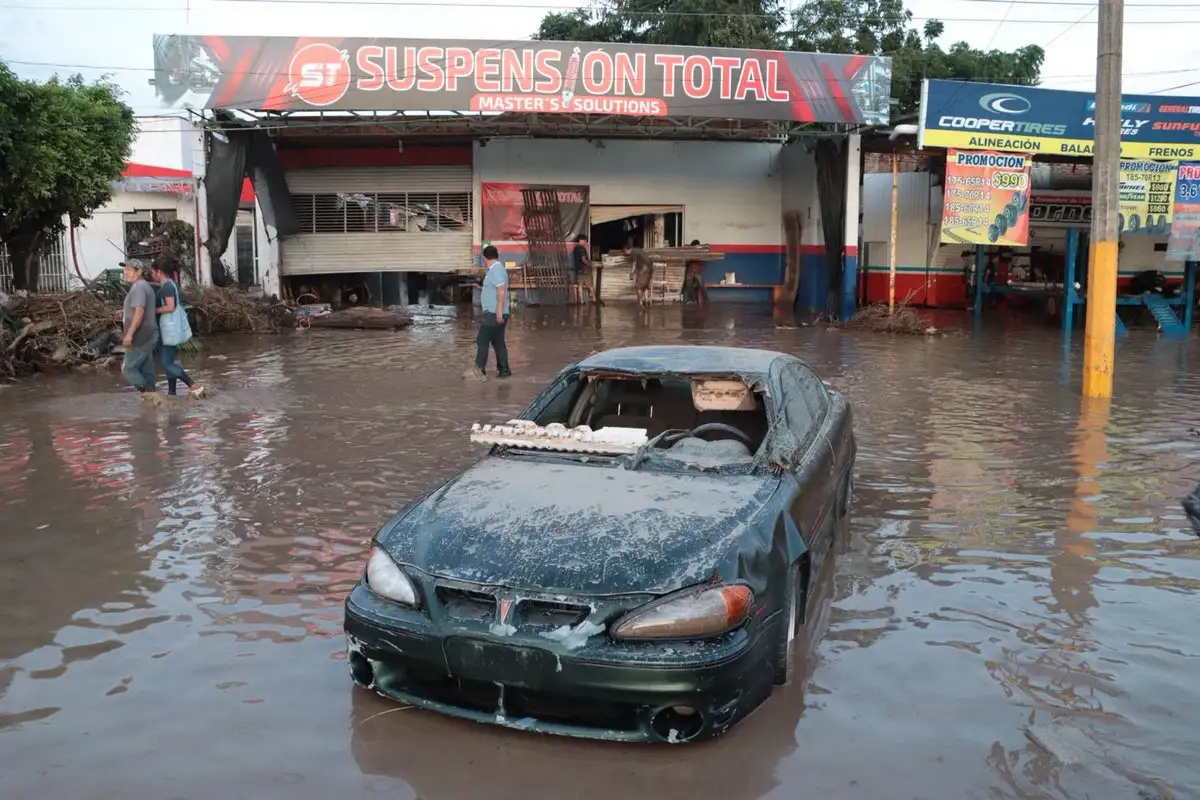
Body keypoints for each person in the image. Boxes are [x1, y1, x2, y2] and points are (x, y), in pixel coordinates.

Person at [153, 262, 204, 397]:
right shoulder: (171, 285)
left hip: (167, 330)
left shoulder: (167, 287)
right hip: (170, 328)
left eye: (154, 272)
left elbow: (170, 307)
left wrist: (152, 310)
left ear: (159, 272)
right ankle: (172, 393)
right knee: (169, 362)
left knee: (167, 364)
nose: (153, 275)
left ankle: (193, 385)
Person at [120, 259, 159, 396]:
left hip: (141, 336)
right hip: (149, 334)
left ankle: (150, 396)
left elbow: (139, 311)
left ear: (139, 271)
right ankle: (153, 408)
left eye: (130, 270)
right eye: (125, 270)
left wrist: (129, 334)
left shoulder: (138, 287)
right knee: (146, 369)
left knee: (128, 369)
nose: (126, 273)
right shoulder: (144, 286)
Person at [472, 245, 511, 380]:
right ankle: (504, 371)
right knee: (498, 342)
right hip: (498, 313)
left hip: (494, 313)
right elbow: (496, 287)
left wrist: (498, 311)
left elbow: (501, 290)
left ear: (484, 258)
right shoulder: (497, 270)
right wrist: (482, 286)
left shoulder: (496, 270)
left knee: (482, 340)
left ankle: (479, 371)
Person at [624, 239, 654, 307]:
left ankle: (640, 303)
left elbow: (634, 263)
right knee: (645, 286)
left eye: (625, 252)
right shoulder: (638, 249)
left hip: (644, 269)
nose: (626, 254)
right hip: (650, 268)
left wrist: (631, 273)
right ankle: (646, 301)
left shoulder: (633, 252)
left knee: (638, 286)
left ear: (628, 250)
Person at [571, 234, 592, 305]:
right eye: (585, 241)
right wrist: (591, 264)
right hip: (584, 269)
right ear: (581, 240)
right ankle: (594, 299)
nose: (585, 242)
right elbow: (584, 260)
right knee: (590, 285)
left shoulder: (575, 248)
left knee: (580, 285)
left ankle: (582, 301)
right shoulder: (581, 248)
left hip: (578, 269)